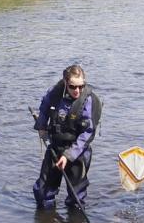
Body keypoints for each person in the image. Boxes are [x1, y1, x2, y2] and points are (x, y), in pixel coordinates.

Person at [33, 65, 101, 210]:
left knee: (76, 199)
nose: (77, 91)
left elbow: (88, 132)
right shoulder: (54, 93)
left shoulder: (89, 101)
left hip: (78, 152)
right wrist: (42, 126)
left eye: (81, 86)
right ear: (65, 82)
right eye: (73, 87)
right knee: (42, 192)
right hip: (55, 148)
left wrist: (68, 156)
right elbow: (44, 109)